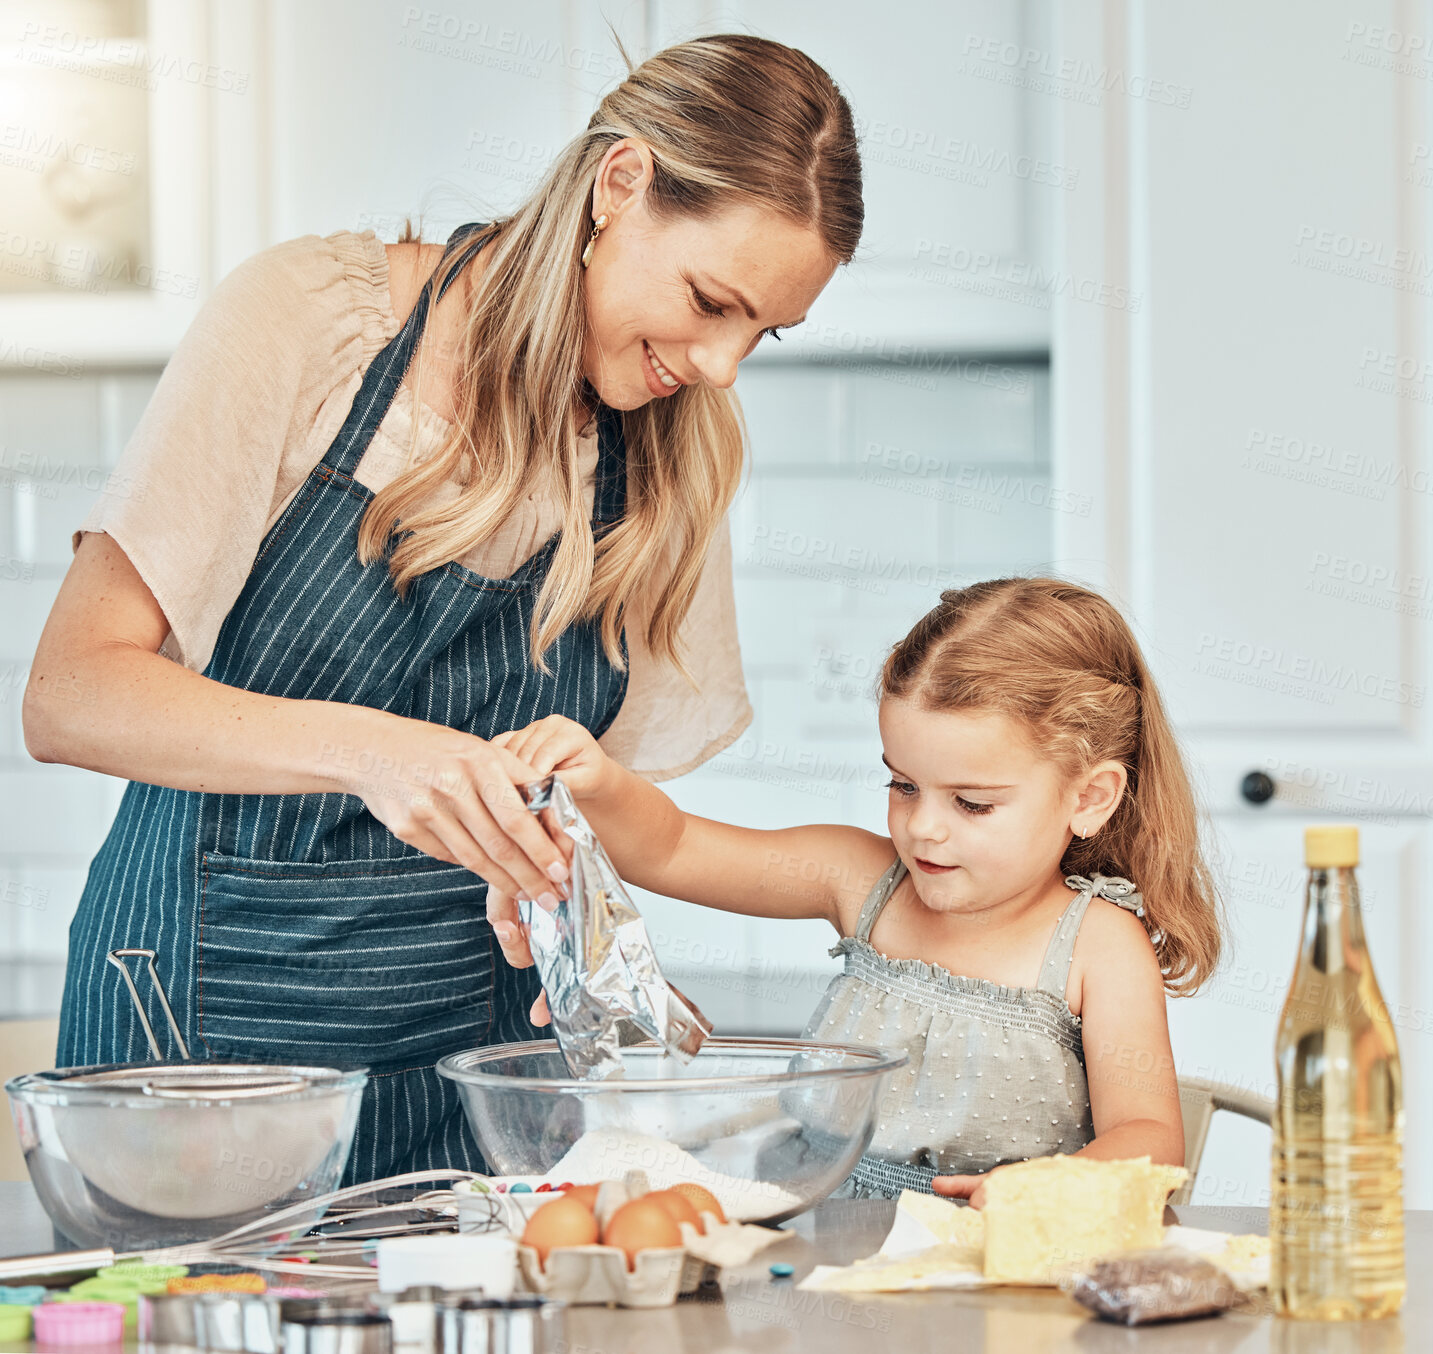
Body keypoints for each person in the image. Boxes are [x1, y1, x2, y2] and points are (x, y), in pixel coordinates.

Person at [24, 34, 862, 1184]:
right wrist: (380, 753)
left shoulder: (677, 458)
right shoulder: (312, 322)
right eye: (711, 301)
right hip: (207, 1046)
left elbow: (579, 809)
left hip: (476, 1079)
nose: (723, 365)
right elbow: (70, 694)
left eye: (763, 331)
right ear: (619, 185)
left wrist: (593, 959)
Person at [491, 577, 1225, 1204]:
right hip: (814, 1242)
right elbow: (675, 845)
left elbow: (1151, 1142)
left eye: (972, 803)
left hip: (990, 1269)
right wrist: (600, 782)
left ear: (1090, 797)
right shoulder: (860, 880)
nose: (924, 829)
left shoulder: (1096, 945)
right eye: (903, 785)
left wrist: (1043, 1190)